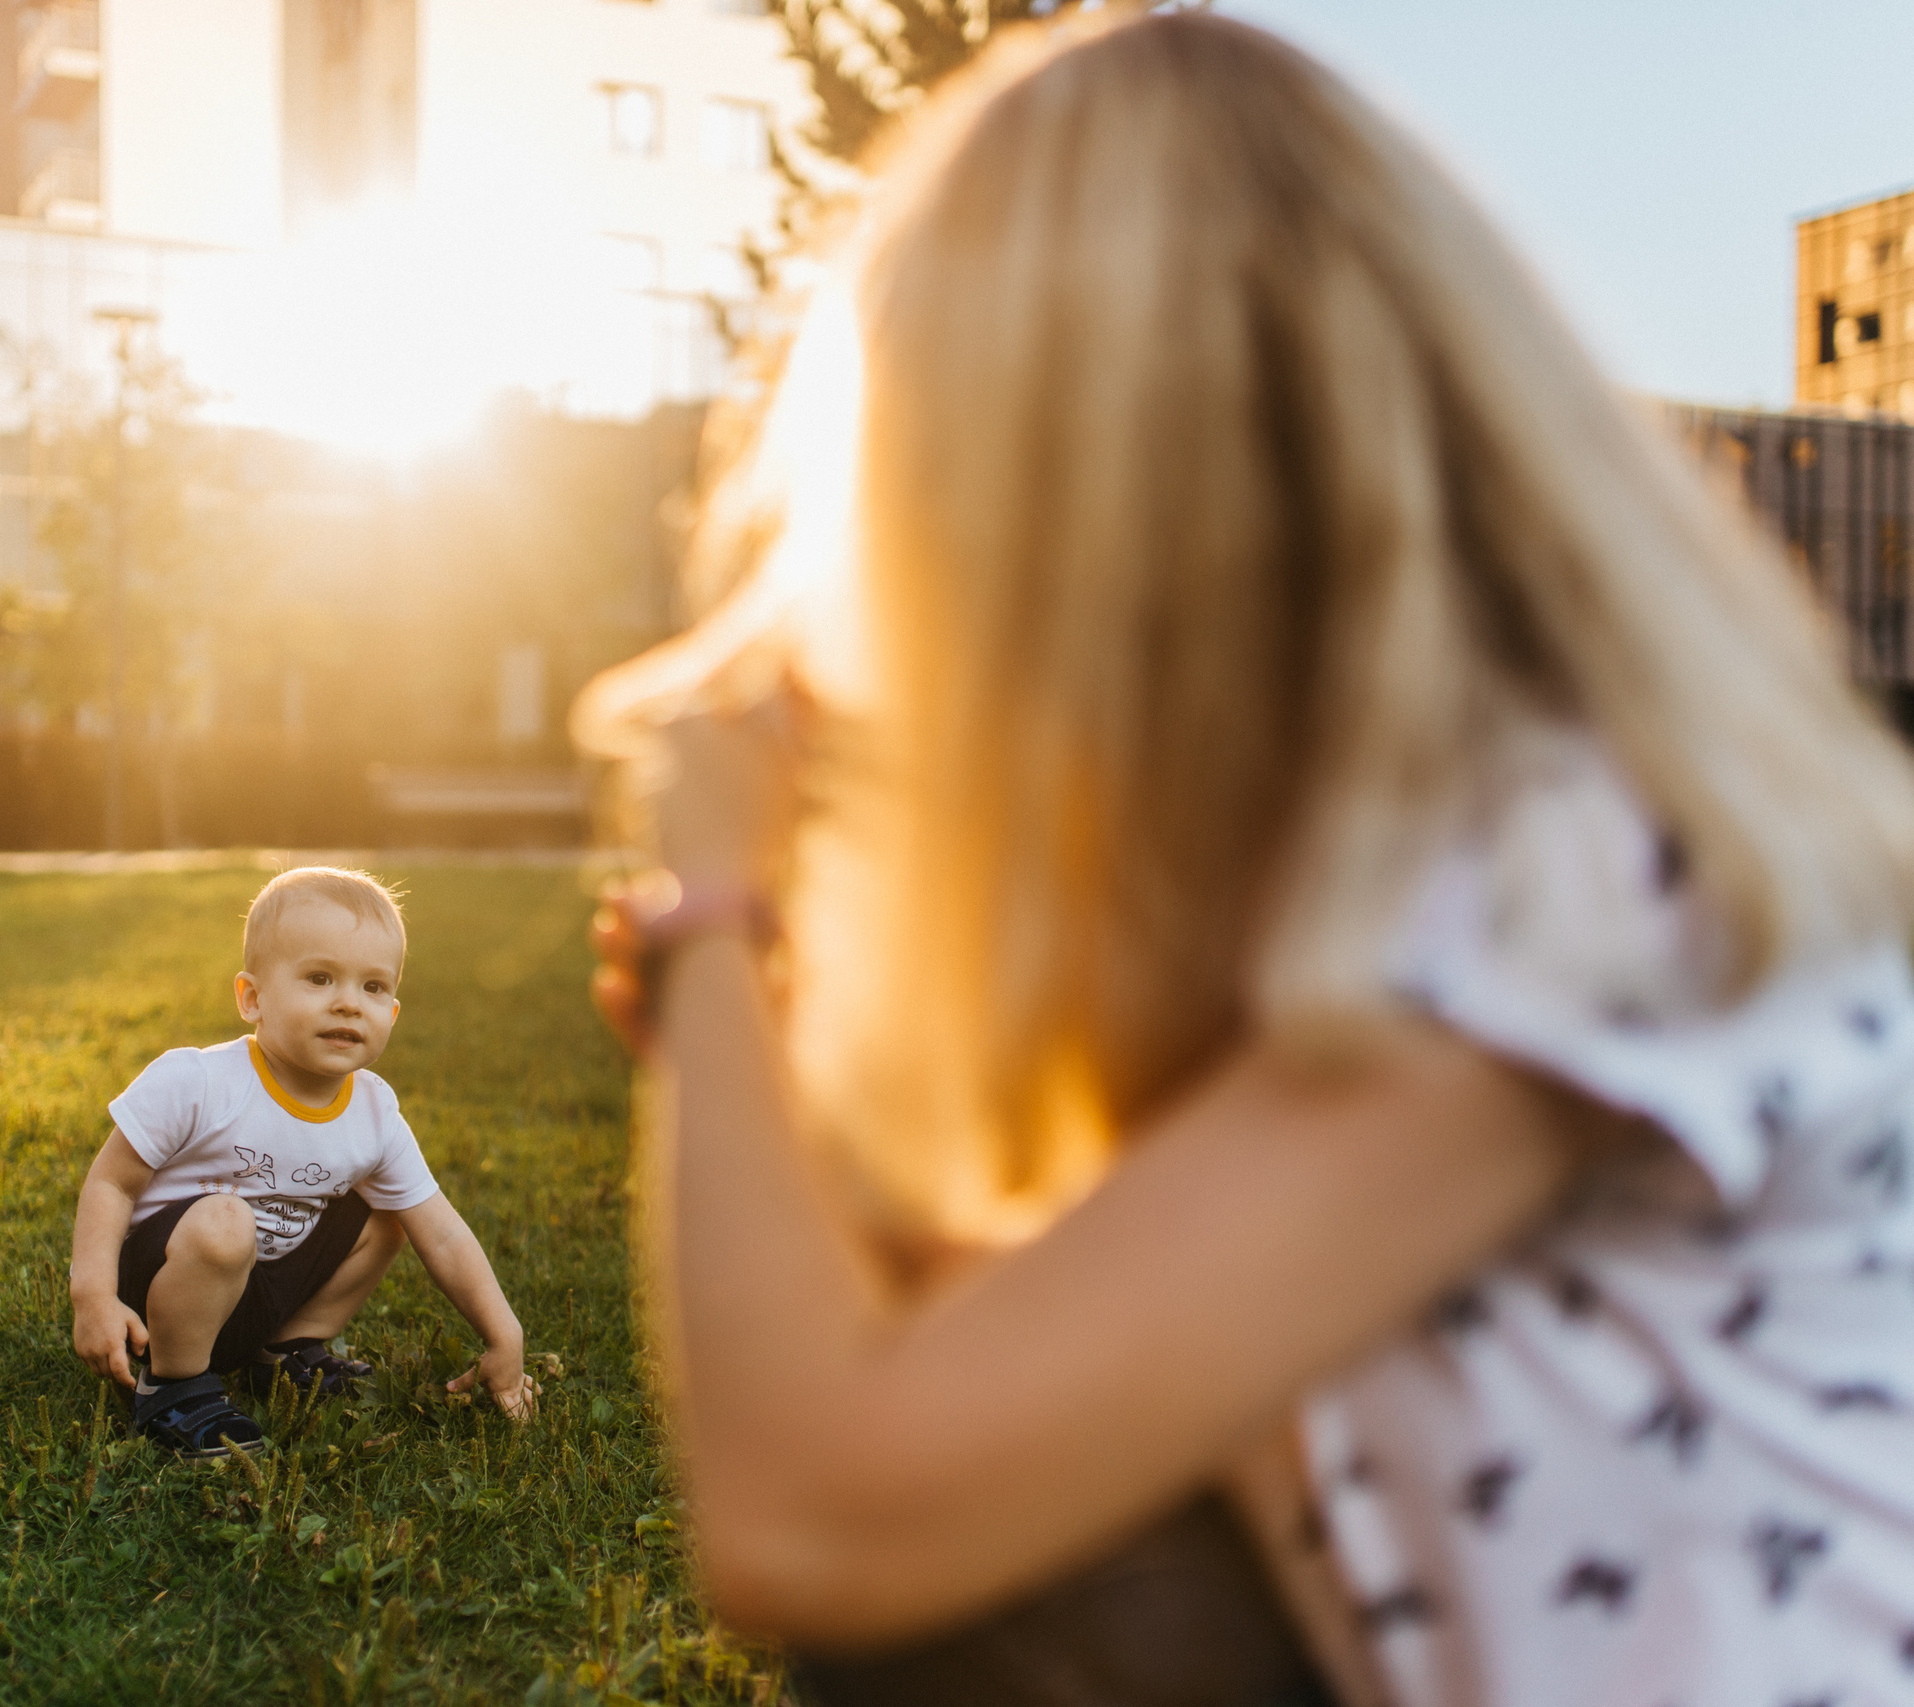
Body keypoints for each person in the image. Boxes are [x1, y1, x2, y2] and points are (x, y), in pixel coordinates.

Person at [575, 13, 1914, 1707]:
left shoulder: (1574, 871)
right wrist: (758, 1025)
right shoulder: (1440, 858)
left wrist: (712, 900)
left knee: (994, 1584)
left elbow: (823, 1513)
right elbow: (974, 1335)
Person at [68, 866, 536, 1456]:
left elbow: (441, 1233)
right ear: (252, 998)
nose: (348, 1004)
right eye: (320, 978)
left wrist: (504, 1334)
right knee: (226, 1220)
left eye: (373, 987)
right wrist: (93, 1297)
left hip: (262, 1286)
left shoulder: (374, 1112)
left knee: (391, 1214)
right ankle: (175, 1386)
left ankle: (286, 1352)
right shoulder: (198, 1082)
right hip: (160, 1295)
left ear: (392, 1013)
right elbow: (112, 1184)